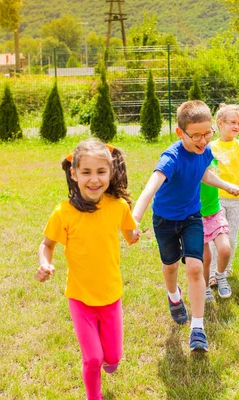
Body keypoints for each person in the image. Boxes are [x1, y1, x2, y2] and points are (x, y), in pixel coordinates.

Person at [132, 100, 239, 352]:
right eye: (196, 136)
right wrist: (134, 219)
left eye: (208, 133)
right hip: (165, 220)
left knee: (195, 267)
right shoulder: (171, 158)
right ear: (180, 133)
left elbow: (204, 173)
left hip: (193, 216)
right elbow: (149, 189)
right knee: (170, 266)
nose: (203, 141)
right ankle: (173, 297)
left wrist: (225, 185)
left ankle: (198, 329)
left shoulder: (205, 151)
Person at [35, 139, 140, 400]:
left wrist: (134, 234)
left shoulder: (119, 207)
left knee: (113, 357)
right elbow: (47, 245)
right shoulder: (64, 213)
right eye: (86, 172)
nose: (94, 180)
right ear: (74, 174)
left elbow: (129, 232)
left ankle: (110, 360)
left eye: (101, 172)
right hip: (80, 297)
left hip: (111, 295)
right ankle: (94, 396)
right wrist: (44, 263)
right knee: (93, 358)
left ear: (111, 172)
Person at [208, 104, 239, 283]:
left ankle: (226, 268)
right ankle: (213, 273)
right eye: (232, 122)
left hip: (237, 199)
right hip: (217, 198)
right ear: (220, 124)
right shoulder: (211, 147)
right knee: (216, 236)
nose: (236, 126)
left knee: (231, 237)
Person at [200, 158, 233, 301]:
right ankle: (205, 287)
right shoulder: (189, 161)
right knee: (205, 258)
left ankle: (220, 275)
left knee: (225, 249)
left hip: (214, 212)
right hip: (195, 216)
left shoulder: (211, 156)